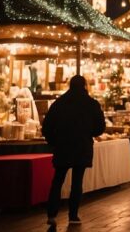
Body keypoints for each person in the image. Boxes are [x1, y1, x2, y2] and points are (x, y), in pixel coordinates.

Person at [43, 75, 105, 227]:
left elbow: (47, 126)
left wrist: (53, 142)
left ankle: (51, 214)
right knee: (77, 182)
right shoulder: (91, 103)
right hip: (82, 146)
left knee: (58, 180)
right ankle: (73, 215)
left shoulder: (59, 103)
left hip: (62, 146)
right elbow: (100, 127)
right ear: (84, 85)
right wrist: (89, 133)